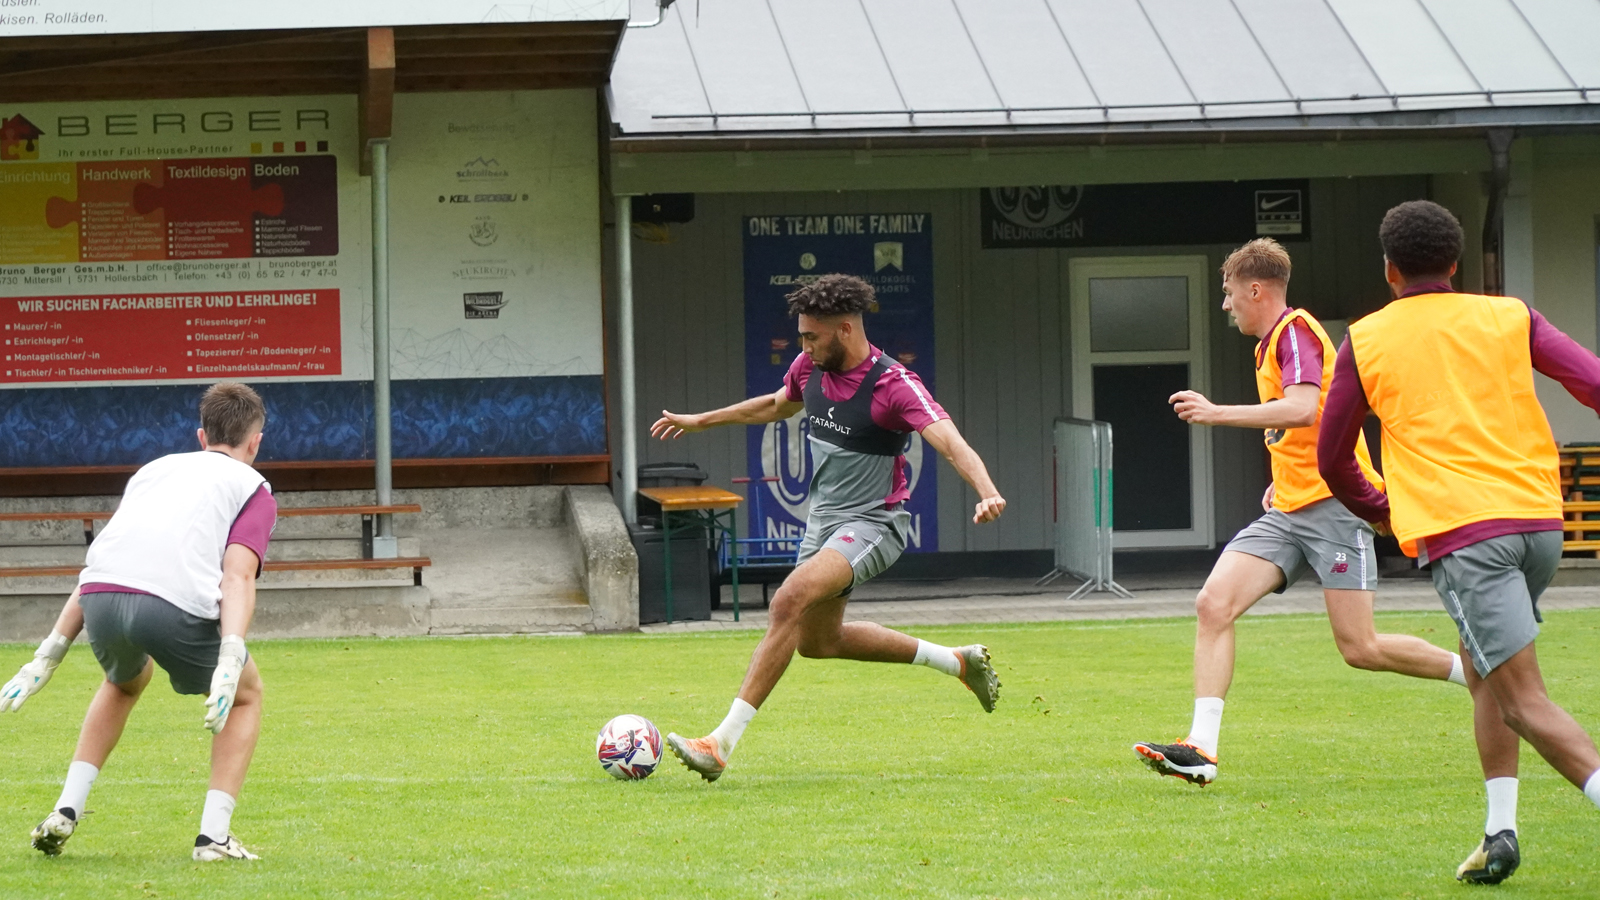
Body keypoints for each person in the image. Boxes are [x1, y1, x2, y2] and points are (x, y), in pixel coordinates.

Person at [1319, 200, 1600, 885]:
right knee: (1485, 672)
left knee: (1525, 698)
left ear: (1389, 270)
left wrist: (1381, 509)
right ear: (1457, 264)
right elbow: (1592, 381)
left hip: (1465, 535)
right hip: (1537, 524)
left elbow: (1333, 457)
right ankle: (1498, 832)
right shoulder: (1509, 316)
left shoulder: (1368, 338)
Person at [1133, 238, 1466, 787]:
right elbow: (1298, 428)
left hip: (1336, 507)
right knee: (1213, 604)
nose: (1225, 305)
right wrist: (1279, 479)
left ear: (1255, 289)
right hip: (1289, 509)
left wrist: (1216, 413)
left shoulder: (1295, 331)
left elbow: (1304, 406)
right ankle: (1201, 748)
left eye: (1228, 293)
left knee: (1360, 648)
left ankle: (1477, 676)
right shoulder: (1270, 344)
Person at [649, 273, 1005, 781]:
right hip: (823, 525)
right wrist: (699, 421)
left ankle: (720, 744)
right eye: (801, 336)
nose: (803, 346)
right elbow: (775, 405)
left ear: (844, 329)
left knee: (787, 600)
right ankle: (957, 662)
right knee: (818, 642)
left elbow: (950, 441)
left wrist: (987, 490)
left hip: (874, 524)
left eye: (811, 336)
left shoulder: (894, 385)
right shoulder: (808, 368)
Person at [1, 382, 276, 861]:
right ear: (256, 442)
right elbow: (237, 575)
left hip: (100, 600)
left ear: (200, 435)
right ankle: (213, 838)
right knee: (247, 695)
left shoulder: (153, 471)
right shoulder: (253, 488)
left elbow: (106, 563)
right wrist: (232, 652)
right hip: (170, 607)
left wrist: (48, 654)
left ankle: (66, 809)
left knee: (125, 680)